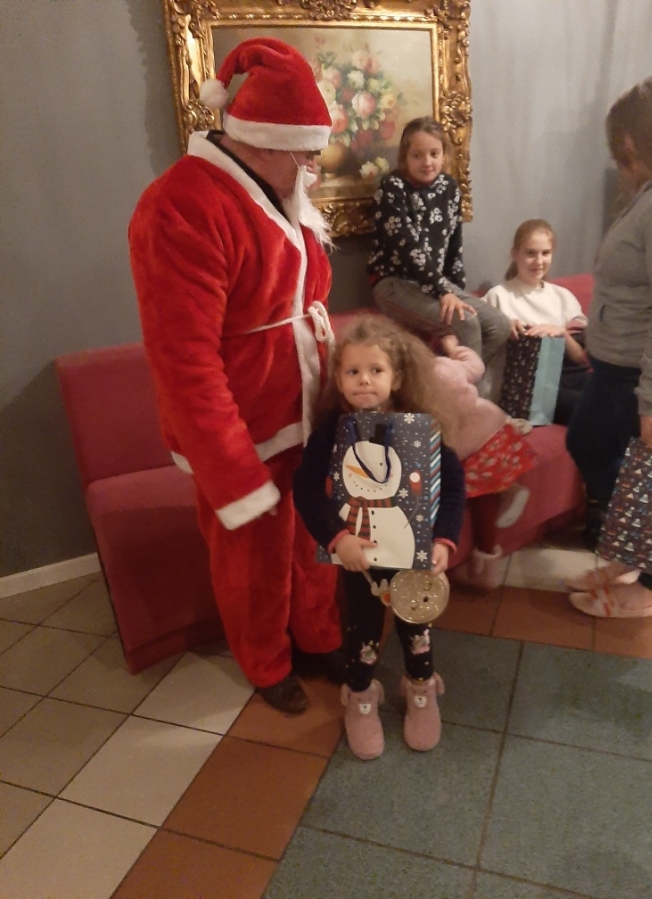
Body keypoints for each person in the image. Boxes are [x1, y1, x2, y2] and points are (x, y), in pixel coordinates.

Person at [128, 37, 344, 715]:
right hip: (245, 424)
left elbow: (307, 301)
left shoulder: (286, 192)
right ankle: (267, 662)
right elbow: (183, 361)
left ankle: (317, 636)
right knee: (252, 557)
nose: (314, 166)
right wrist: (230, 470)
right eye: (306, 152)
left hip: (308, 407)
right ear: (267, 143)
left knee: (315, 535)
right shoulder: (179, 206)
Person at [293, 315, 466, 759]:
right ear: (338, 378)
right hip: (361, 558)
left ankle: (421, 687)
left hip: (414, 555)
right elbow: (306, 490)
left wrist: (444, 540)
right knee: (362, 629)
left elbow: (453, 483)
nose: (364, 380)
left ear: (398, 377)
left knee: (417, 626)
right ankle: (361, 695)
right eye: (353, 371)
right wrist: (337, 538)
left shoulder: (422, 428)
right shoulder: (332, 433)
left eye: (376, 370)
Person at [564, 75, 652, 618]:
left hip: (637, 373)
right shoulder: (650, 196)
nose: (618, 154)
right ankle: (632, 556)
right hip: (616, 366)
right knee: (596, 447)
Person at [367, 117, 511, 373]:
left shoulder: (449, 188)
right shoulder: (392, 188)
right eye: (417, 155)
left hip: (436, 283)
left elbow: (454, 248)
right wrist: (443, 292)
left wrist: (456, 291)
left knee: (499, 325)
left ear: (444, 155)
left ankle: (452, 383)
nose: (427, 162)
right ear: (405, 157)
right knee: (465, 322)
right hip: (394, 282)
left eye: (434, 153)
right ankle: (465, 395)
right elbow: (409, 249)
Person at [427, 336, 537, 590]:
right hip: (496, 428)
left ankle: (484, 570)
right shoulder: (446, 366)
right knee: (491, 482)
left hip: (471, 445)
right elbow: (476, 366)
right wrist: (454, 349)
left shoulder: (413, 389)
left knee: (480, 496)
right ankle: (510, 490)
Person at [484, 219, 591, 425]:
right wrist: (503, 327)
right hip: (534, 390)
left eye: (545, 253)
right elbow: (470, 333)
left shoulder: (563, 296)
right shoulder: (498, 296)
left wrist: (562, 332)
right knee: (595, 409)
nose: (539, 261)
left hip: (574, 377)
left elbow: (581, 358)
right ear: (515, 254)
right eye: (530, 253)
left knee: (626, 399)